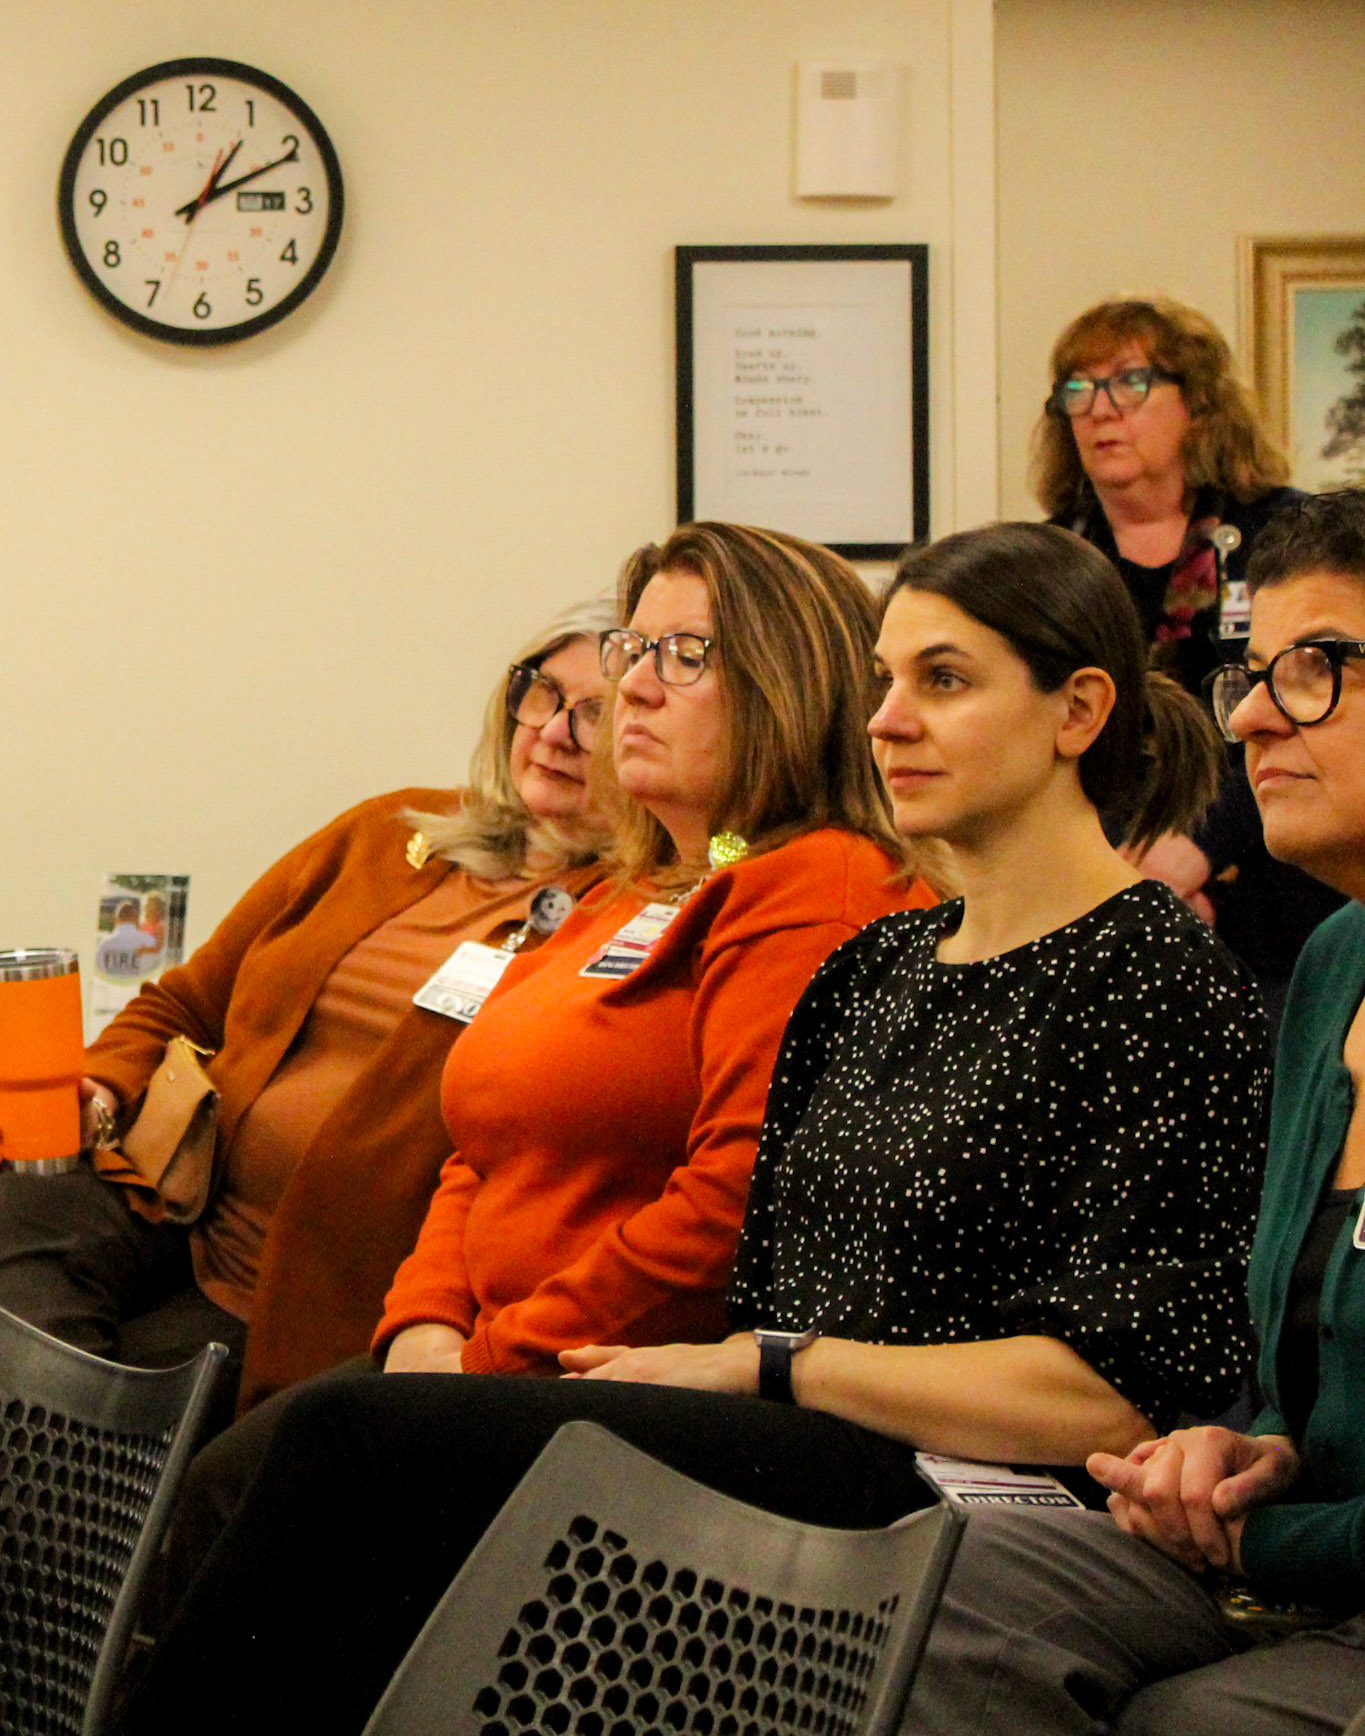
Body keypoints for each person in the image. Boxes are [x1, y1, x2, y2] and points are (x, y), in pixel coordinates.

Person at [117, 522, 1269, 1736]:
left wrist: (768, 1363)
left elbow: (1118, 1396)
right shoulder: (881, 963)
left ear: (1077, 711)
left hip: (963, 1473)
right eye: (884, 680)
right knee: (356, 1523)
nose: (887, 721)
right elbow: (743, 1249)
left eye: (944, 680)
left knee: (351, 1447)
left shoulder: (1154, 977)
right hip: (791, 1413)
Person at [146, 517, 927, 1571]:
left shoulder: (814, 884)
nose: (635, 688)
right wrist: (424, 1319)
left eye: (684, 655)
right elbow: (479, 1142)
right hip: (479, 1350)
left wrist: (485, 1358)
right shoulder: (631, 886)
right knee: (226, 1487)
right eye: (634, 649)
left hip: (617, 1378)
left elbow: (732, 1200)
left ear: (788, 683)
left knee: (269, 1479)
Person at [900, 489, 1365, 1736]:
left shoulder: (1170, 970)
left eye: (1316, 669)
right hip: (1289, 1559)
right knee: (938, 1590)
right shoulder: (1332, 964)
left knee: (1197, 1720)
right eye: (1253, 675)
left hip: (1305, 1567)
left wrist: (1265, 1527)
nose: (1251, 716)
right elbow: (1307, 1375)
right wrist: (1248, 1451)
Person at [0, 593, 617, 1417]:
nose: (553, 732)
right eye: (542, 693)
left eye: (595, 714)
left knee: (104, 1400)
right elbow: (186, 1002)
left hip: (309, 1289)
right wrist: (102, 1090)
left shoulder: (627, 914)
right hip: (175, 1199)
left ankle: (68, 1465)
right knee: (16, 1234)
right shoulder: (387, 832)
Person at [1036, 293, 1342, 1011]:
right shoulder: (1047, 561)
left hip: (1280, 908)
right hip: (1100, 897)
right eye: (1078, 388)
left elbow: (1313, 714)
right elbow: (1042, 733)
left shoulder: (1287, 535)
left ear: (1199, 405)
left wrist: (1199, 851)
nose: (1100, 410)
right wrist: (1131, 879)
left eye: (1129, 382)